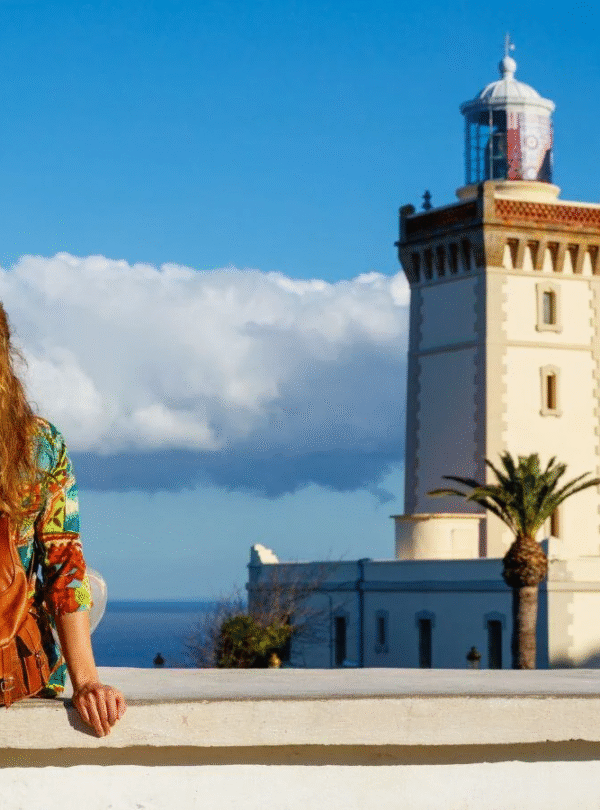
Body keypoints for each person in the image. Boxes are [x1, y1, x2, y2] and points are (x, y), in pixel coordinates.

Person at [0, 303, 126, 736]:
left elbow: (63, 567)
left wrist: (87, 682)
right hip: (17, 667)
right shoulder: (39, 444)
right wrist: (85, 681)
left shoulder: (41, 446)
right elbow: (64, 567)